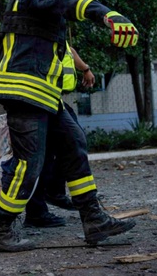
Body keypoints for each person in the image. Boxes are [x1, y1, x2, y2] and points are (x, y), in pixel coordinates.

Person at [0, 0, 139, 252]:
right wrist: (108, 15)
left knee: (74, 143)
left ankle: (94, 221)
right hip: (25, 90)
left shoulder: (41, 5)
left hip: (43, 94)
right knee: (29, 164)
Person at [26, 44, 96, 224]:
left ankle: (50, 196)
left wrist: (85, 69)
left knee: (57, 149)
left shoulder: (55, 31)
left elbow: (68, 50)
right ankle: (38, 208)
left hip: (51, 99)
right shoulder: (37, 30)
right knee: (46, 153)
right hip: (38, 99)